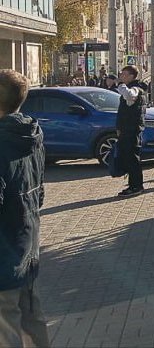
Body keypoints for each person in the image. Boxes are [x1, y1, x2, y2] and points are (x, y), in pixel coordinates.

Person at [0, 70, 50, 347]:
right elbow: (38, 193)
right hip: (28, 245)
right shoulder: (32, 133)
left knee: (6, 328)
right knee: (32, 318)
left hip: (4, 255)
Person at [115, 66, 148, 197]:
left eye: (124, 74)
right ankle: (133, 185)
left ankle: (137, 186)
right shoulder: (131, 88)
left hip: (132, 129)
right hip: (126, 129)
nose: (121, 76)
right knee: (128, 157)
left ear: (131, 76)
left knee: (132, 158)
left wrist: (120, 85)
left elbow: (129, 95)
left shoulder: (136, 89)